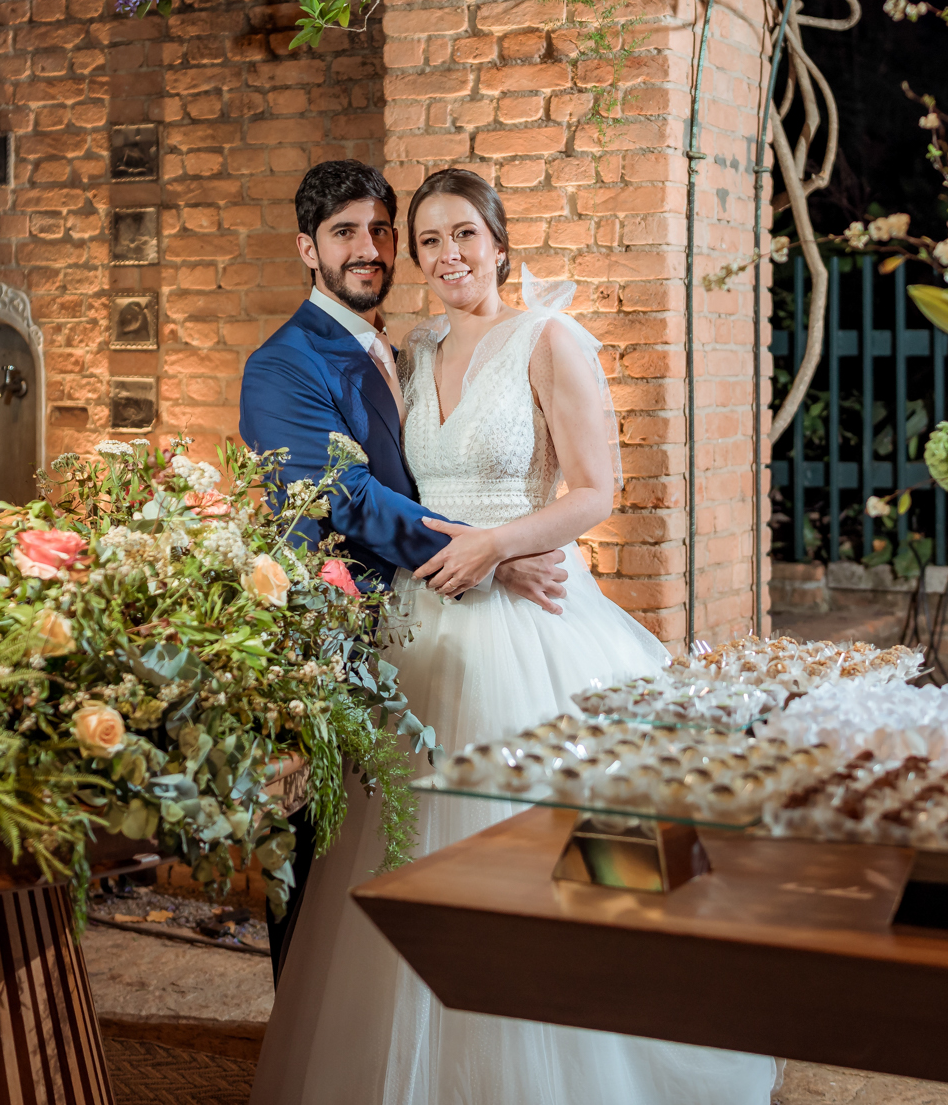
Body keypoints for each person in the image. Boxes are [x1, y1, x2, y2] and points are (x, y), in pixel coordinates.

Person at [250, 168, 777, 1105]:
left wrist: (504, 545)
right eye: (426, 242)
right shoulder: (399, 348)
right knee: (399, 854)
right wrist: (483, 552)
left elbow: (594, 490)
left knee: (552, 853)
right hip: (420, 626)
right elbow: (364, 494)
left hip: (530, 630)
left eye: (459, 235)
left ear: (500, 241)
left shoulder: (548, 336)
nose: (439, 254)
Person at [238, 160, 569, 980]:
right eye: (345, 232)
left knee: (433, 837)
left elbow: (427, 475)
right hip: (338, 640)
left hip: (422, 628)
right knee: (329, 865)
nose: (369, 248)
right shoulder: (282, 365)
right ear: (307, 249)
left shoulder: (405, 350)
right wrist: (487, 553)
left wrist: (496, 542)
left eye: (381, 231)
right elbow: (346, 500)